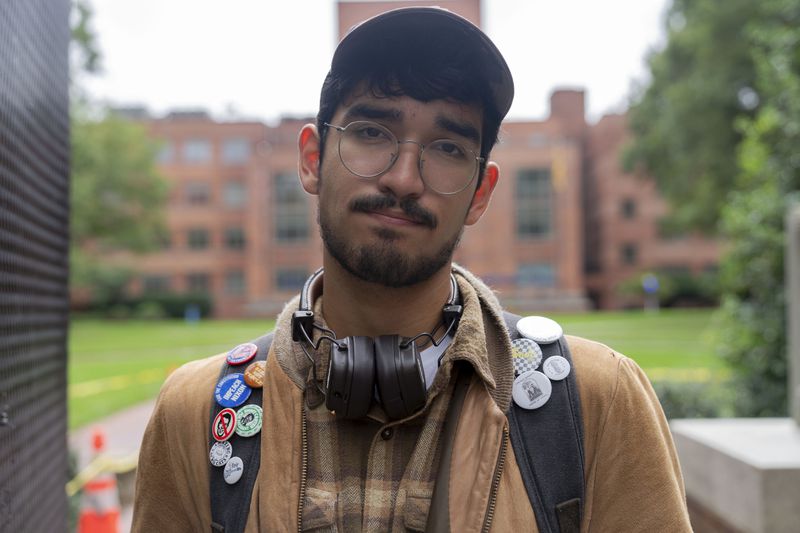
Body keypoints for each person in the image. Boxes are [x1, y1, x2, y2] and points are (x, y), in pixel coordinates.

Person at [132, 7, 692, 532]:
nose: (404, 178)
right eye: (372, 133)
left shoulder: (598, 402)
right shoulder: (195, 413)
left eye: (447, 147)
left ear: (480, 194)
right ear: (311, 160)